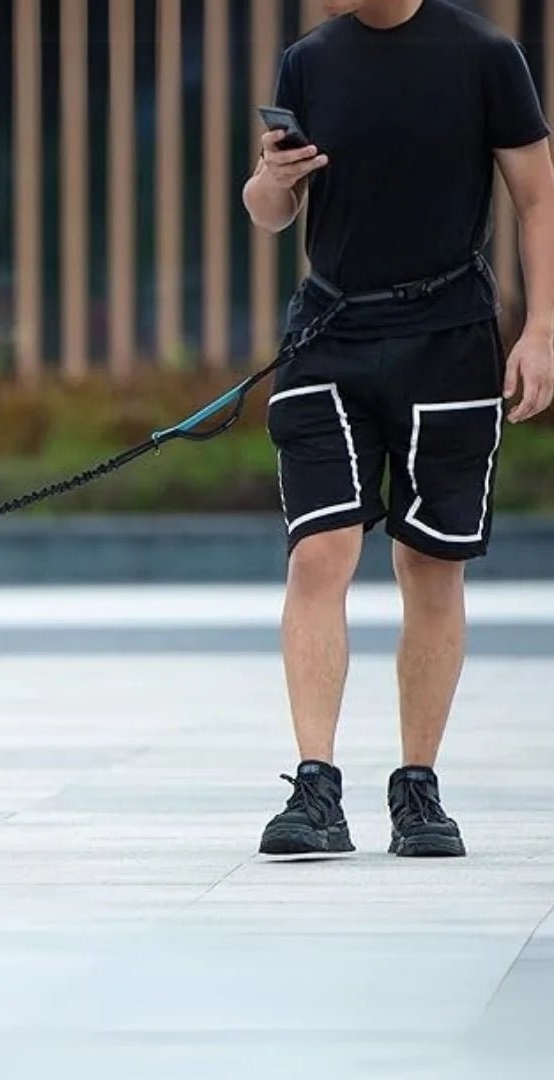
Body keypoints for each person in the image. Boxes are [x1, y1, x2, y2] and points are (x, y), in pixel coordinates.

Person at [242, 0, 554, 858]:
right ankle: (315, 788)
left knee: (432, 564)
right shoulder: (309, 60)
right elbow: (270, 211)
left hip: (449, 339)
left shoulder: (486, 56)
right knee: (319, 551)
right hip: (327, 337)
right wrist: (273, 178)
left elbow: (536, 198)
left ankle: (418, 788)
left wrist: (541, 332)